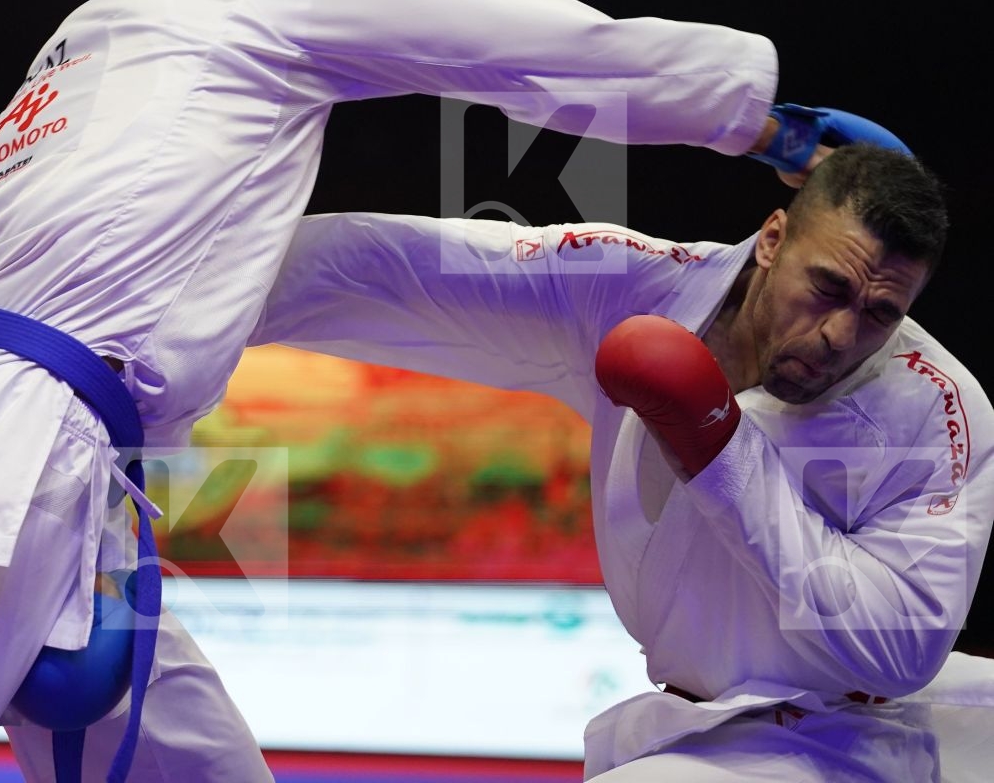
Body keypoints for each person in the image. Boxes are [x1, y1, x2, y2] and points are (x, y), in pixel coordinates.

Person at [0, 0, 876, 783]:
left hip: (38, 467)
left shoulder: (57, 91)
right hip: (9, 468)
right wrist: (755, 121)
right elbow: (528, 46)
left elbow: (247, 271)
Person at [250, 145, 994, 781]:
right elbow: (393, 272)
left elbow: (900, 649)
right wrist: (180, 295)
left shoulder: (936, 406)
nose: (839, 333)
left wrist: (718, 446)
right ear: (772, 239)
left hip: (851, 733)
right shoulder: (633, 286)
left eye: (879, 314)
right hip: (697, 732)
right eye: (827, 288)